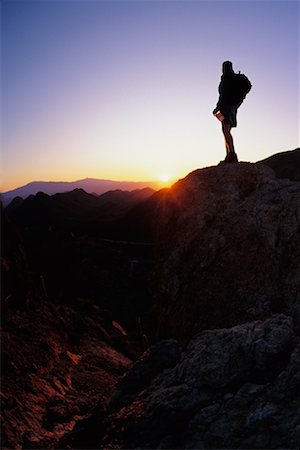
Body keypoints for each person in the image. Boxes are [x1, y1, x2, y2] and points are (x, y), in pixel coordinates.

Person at [213, 61, 241, 163]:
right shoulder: (232, 78)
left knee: (226, 131)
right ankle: (229, 154)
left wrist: (217, 107)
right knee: (226, 131)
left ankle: (232, 154)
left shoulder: (226, 79)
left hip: (226, 108)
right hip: (232, 108)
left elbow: (223, 95)